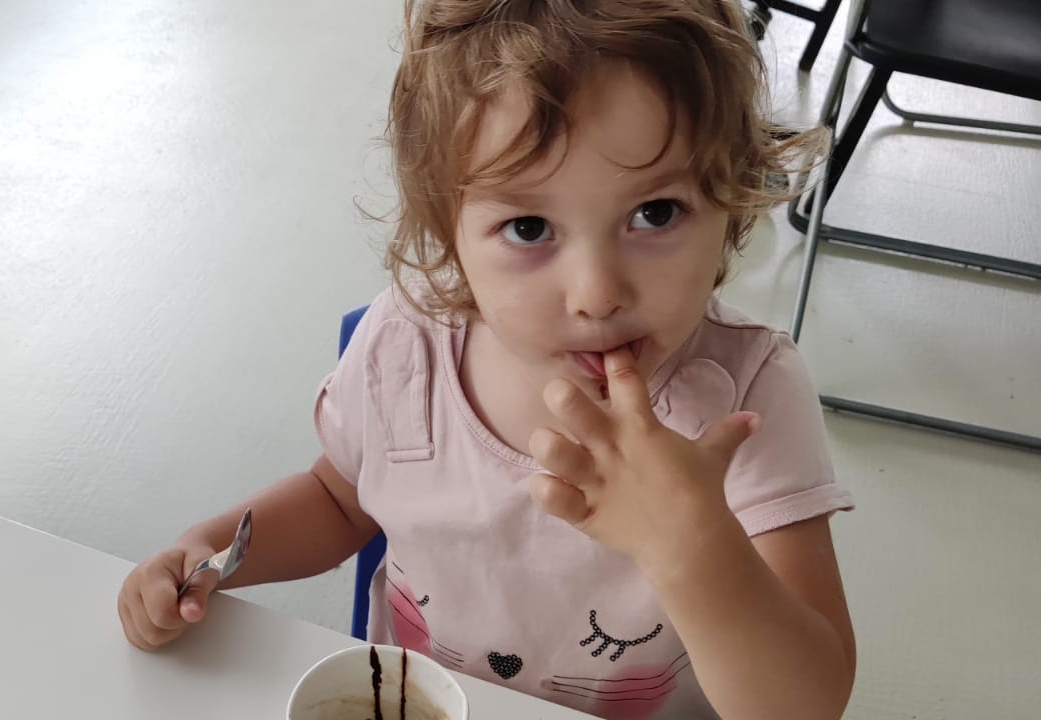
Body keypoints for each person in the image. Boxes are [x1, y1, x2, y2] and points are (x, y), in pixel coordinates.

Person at [118, 1, 856, 717]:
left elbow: (806, 706)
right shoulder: (406, 350)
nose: (597, 294)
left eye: (655, 212)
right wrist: (209, 551)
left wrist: (689, 548)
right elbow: (339, 501)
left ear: (732, 198)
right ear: (448, 232)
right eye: (529, 226)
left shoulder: (747, 400)